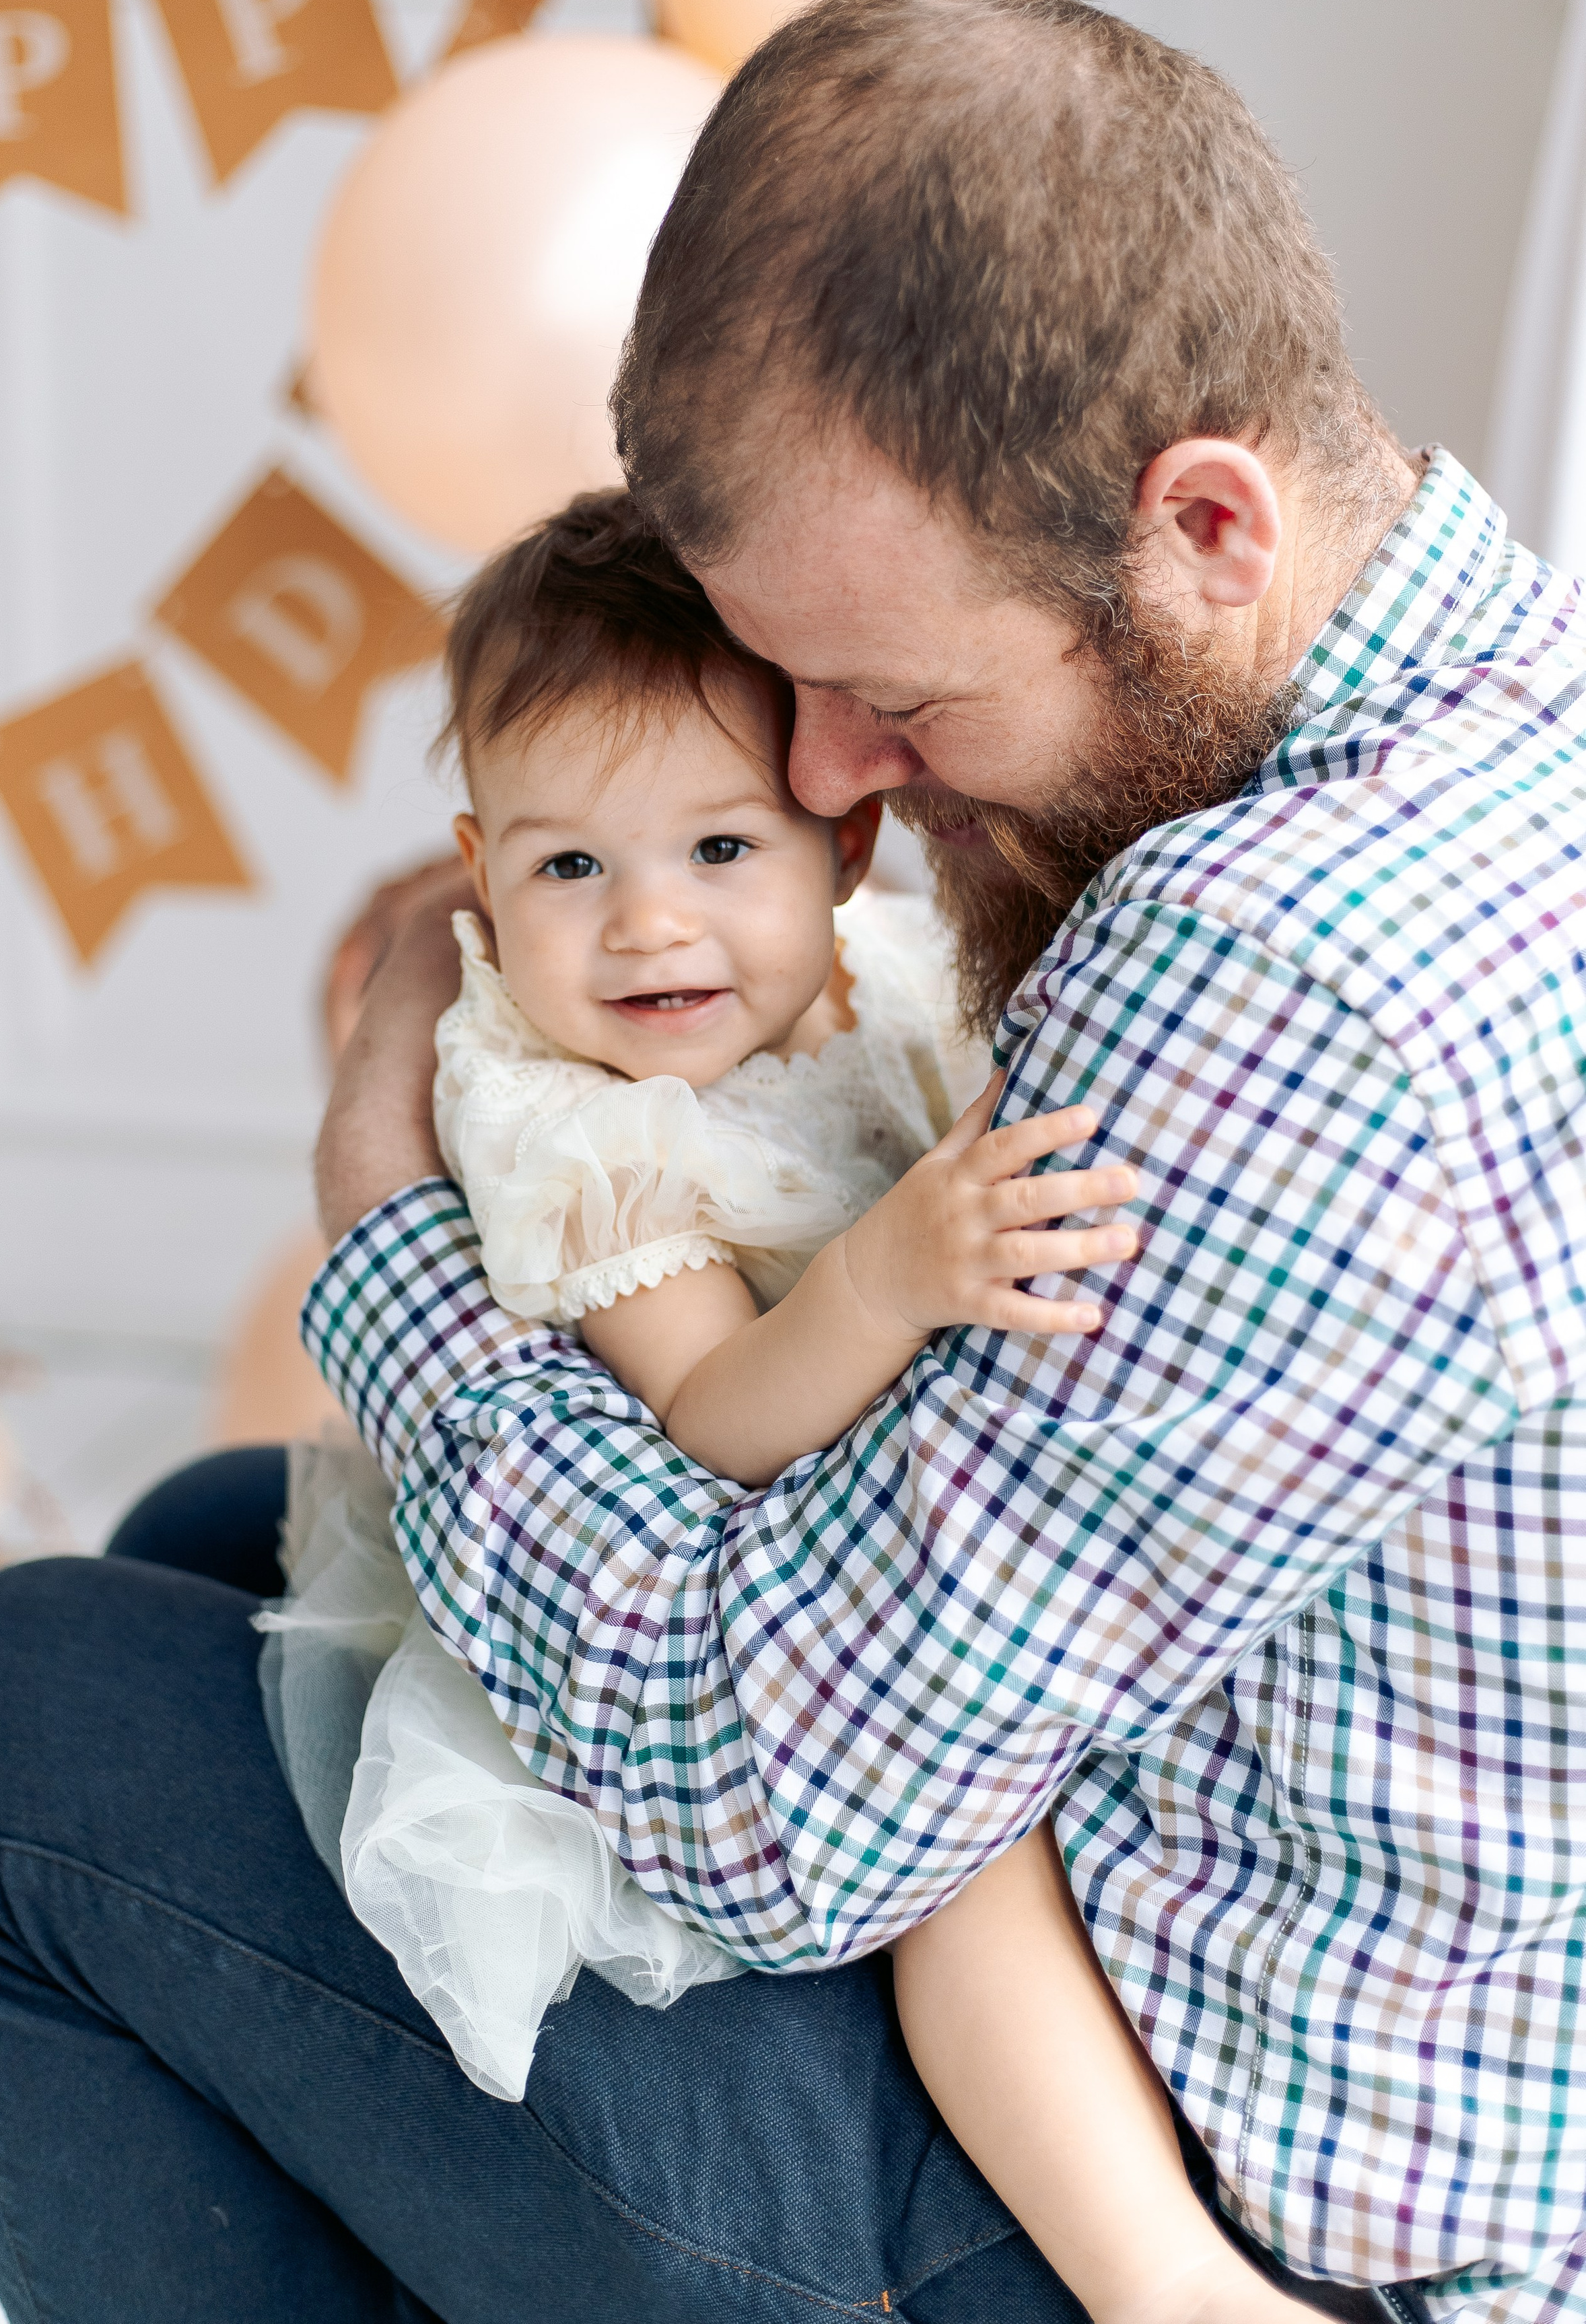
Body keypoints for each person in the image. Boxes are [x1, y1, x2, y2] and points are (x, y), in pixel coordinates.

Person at [0, 0, 1571, 2323]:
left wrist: (385, 1224)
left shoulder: (1285, 972)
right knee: (211, 1537)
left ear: (1203, 524)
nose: (837, 784)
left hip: (1212, 2207)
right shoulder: (1503, 729)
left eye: (893, 694)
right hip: (1212, 1866)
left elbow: (770, 1809)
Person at [267, 491, 1281, 2321]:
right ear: (479, 869)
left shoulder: (877, 976)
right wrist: (891, 1277)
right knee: (977, 1869)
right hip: (707, 1604)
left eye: (721, 846)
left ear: (845, 844)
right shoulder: (572, 1115)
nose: (648, 925)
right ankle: (1160, 2280)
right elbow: (715, 1414)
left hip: (926, 1513)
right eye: (570, 868)